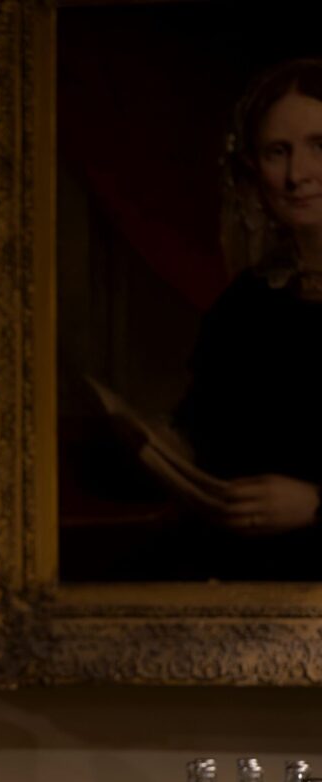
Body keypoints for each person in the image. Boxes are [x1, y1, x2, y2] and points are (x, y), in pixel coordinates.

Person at [170, 58, 322, 579]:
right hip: (244, 583)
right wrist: (161, 446)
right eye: (278, 152)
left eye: (319, 146)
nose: (297, 175)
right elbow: (205, 430)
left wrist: (316, 507)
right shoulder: (247, 304)